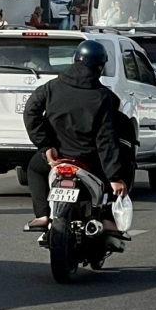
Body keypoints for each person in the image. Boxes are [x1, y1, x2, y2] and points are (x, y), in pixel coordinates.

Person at [22, 40, 127, 232]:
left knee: (35, 169)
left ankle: (42, 215)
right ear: (100, 66)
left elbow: (30, 112)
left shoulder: (51, 87)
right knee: (122, 168)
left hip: (57, 156)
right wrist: (114, 177)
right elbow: (106, 138)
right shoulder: (103, 96)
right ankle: (107, 219)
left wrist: (46, 147)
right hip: (90, 159)